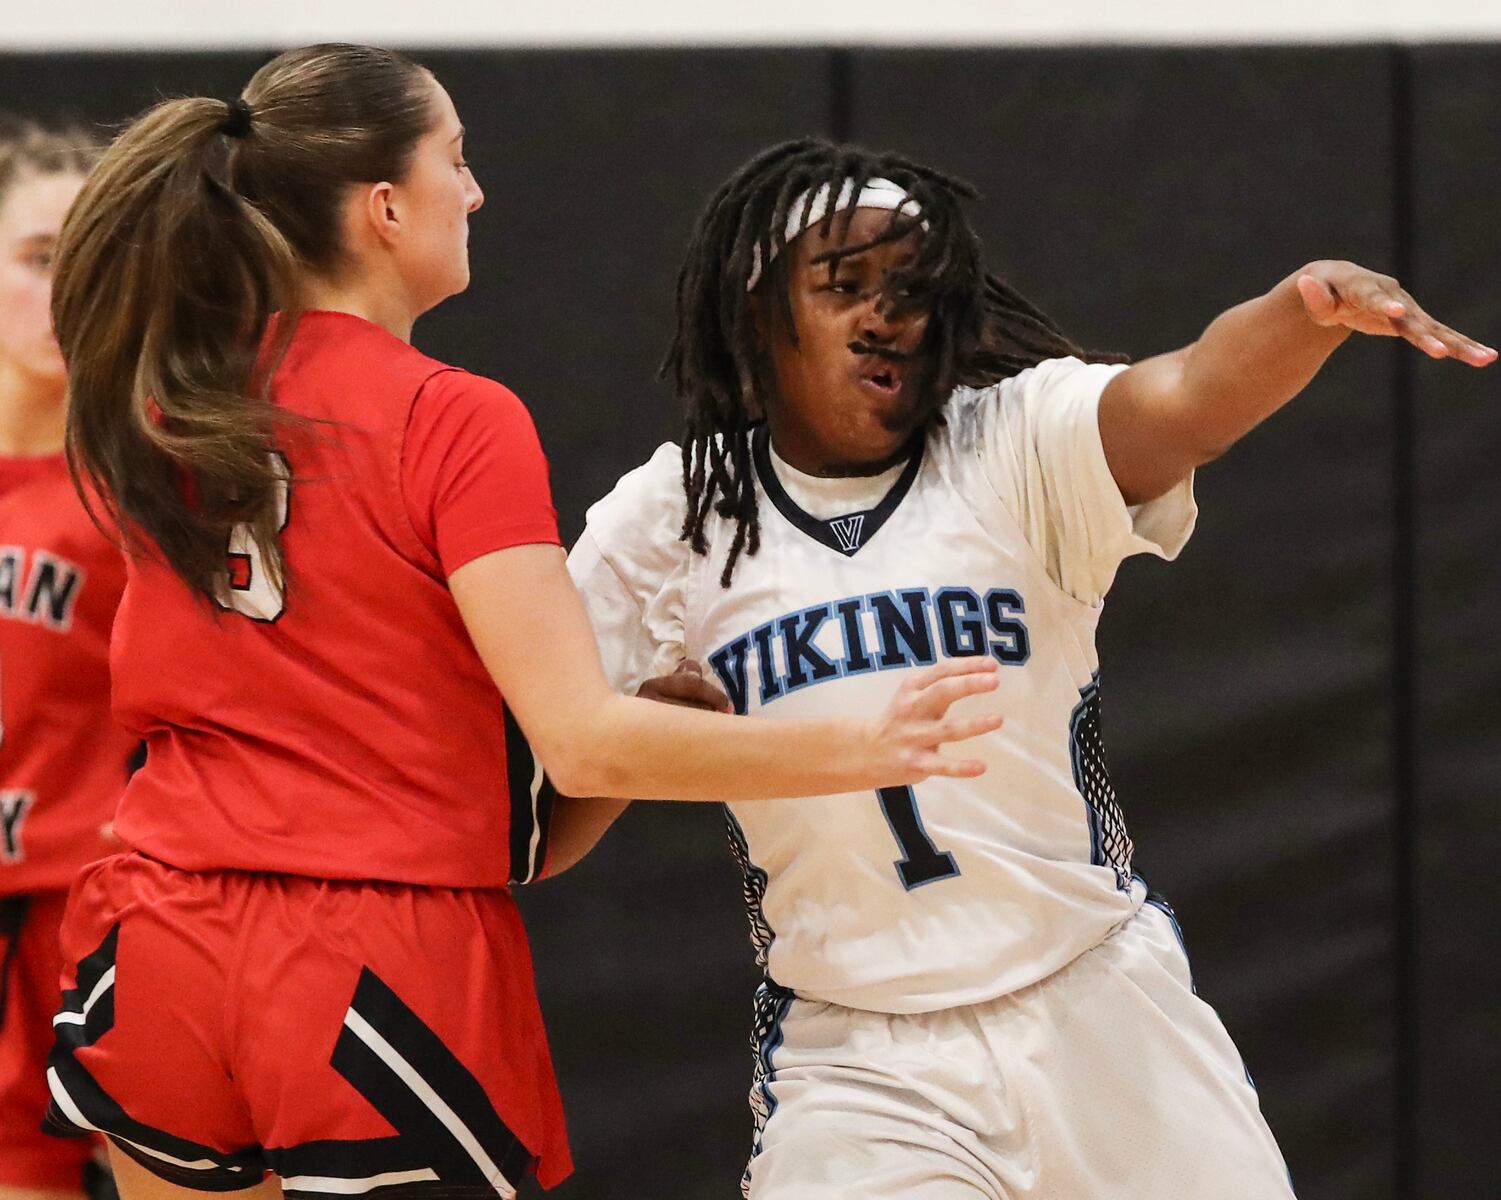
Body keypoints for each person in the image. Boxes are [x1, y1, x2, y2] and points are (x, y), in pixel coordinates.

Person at [48, 51, 999, 1200]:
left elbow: (458, 762)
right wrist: (859, 745)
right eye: (456, 158)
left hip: (162, 937)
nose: (479, 189)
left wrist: (638, 736)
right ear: (383, 207)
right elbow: (582, 740)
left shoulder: (169, 405)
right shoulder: (453, 416)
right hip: (369, 960)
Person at [569, 138, 1496, 1198]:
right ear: (755, 309)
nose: (886, 314)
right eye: (844, 284)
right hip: (862, 1061)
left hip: (1096, 1003)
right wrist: (649, 747)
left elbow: (1189, 394)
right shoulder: (670, 518)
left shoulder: (1016, 440)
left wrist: (1304, 309)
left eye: (915, 291)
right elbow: (543, 805)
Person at [0, 115, 121, 1200]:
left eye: (92, 263)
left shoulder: (148, 487)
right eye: (41, 260)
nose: (67, 291)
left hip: (106, 907)